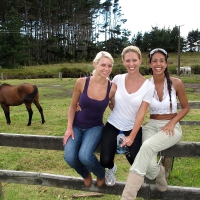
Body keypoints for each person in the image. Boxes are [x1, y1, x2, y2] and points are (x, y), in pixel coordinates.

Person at [121, 48, 190, 200]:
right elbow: (133, 103)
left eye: (161, 61)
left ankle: (127, 196)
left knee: (145, 148)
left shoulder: (176, 83)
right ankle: (159, 172)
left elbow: (186, 108)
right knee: (150, 165)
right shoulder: (145, 84)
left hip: (171, 127)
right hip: (151, 125)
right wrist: (112, 102)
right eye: (155, 61)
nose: (158, 64)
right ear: (149, 64)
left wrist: (172, 122)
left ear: (166, 64)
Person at [100, 46, 155, 186]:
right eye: (128, 60)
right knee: (105, 160)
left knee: (135, 160)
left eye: (134, 60)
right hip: (113, 124)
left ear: (140, 60)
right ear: (123, 61)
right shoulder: (118, 78)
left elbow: (142, 113)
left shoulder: (148, 86)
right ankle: (112, 169)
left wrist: (131, 137)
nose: (131, 64)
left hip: (132, 126)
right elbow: (108, 95)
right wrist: (107, 101)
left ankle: (137, 181)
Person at [63, 51, 116, 188]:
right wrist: (69, 128)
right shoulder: (81, 83)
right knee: (69, 157)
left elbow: (114, 105)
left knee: (85, 156)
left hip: (95, 127)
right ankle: (85, 174)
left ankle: (100, 173)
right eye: (103, 65)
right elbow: (73, 105)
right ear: (95, 64)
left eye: (110, 66)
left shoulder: (112, 88)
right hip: (76, 125)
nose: (106, 69)